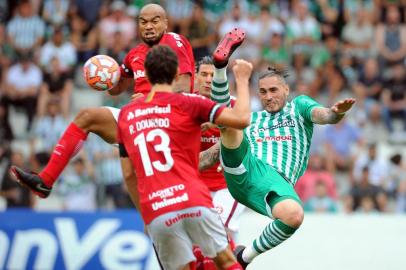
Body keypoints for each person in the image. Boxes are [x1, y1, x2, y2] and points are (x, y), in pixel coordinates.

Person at [10, 3, 195, 199]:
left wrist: (151, 99)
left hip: (168, 120)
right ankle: (45, 180)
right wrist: (103, 75)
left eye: (154, 21)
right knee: (86, 116)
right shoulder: (135, 54)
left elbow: (184, 85)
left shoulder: (174, 41)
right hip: (139, 119)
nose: (148, 26)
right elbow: (117, 88)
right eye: (143, 22)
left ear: (165, 23)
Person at [201, 38, 355, 268]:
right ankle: (221, 68)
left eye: (273, 90)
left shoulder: (298, 107)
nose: (268, 96)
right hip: (244, 168)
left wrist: (336, 113)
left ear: (286, 89)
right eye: (262, 92)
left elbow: (324, 115)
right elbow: (212, 155)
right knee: (231, 122)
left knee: (293, 215)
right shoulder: (253, 118)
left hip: (275, 181)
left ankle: (244, 258)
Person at [117, 45, 252, 270]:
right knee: (218, 258)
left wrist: (146, 212)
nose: (209, 80)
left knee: (204, 252)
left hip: (220, 189)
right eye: (204, 74)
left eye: (213, 75)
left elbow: (129, 173)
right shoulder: (187, 106)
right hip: (192, 191)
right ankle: (238, 257)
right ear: (190, 76)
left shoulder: (128, 114)